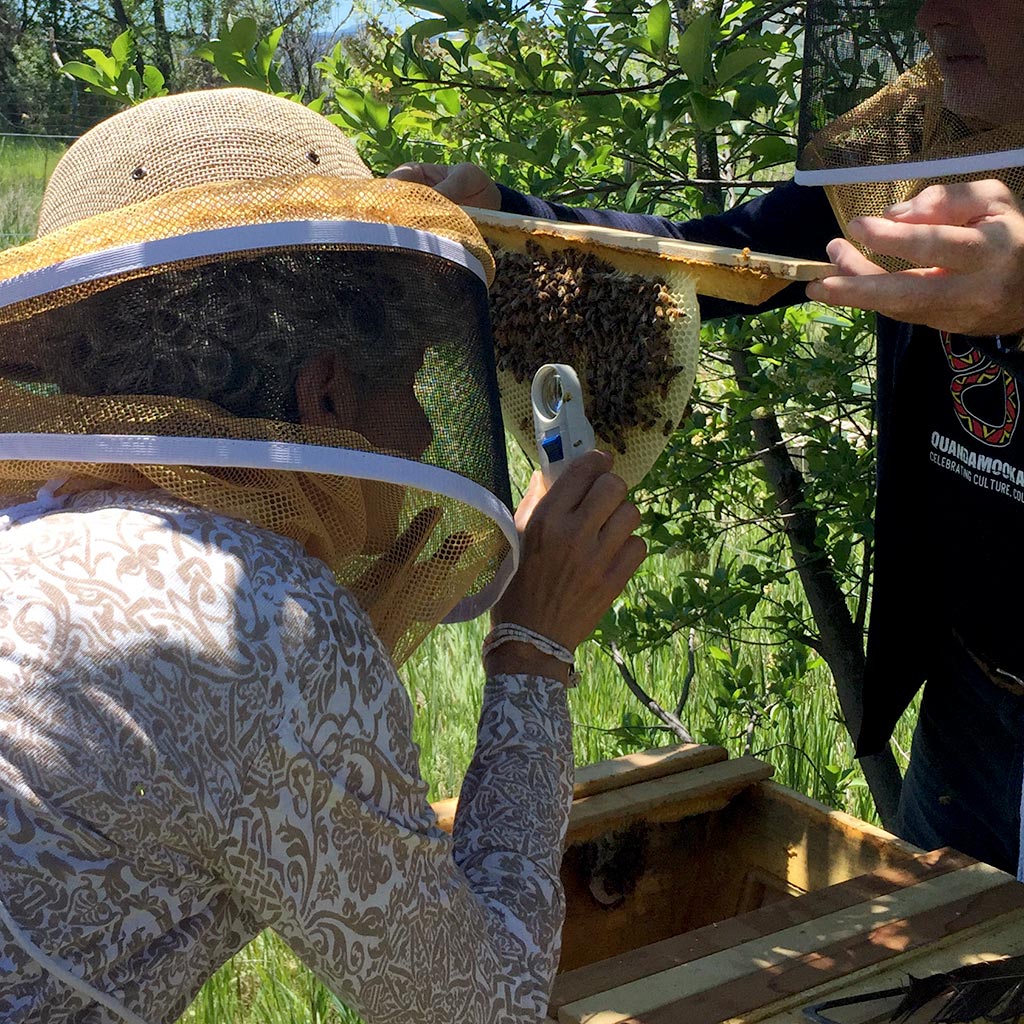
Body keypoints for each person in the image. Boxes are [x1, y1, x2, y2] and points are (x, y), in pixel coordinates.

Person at [0, 89, 646, 1022]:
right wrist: (533, 650)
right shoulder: (263, 621)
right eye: (410, 387)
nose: (426, 434)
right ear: (329, 395)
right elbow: (484, 1006)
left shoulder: (35, 528)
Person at [391, 0, 1024, 877]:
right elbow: (721, 258)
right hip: (968, 695)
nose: (930, 13)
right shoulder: (914, 138)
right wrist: (513, 216)